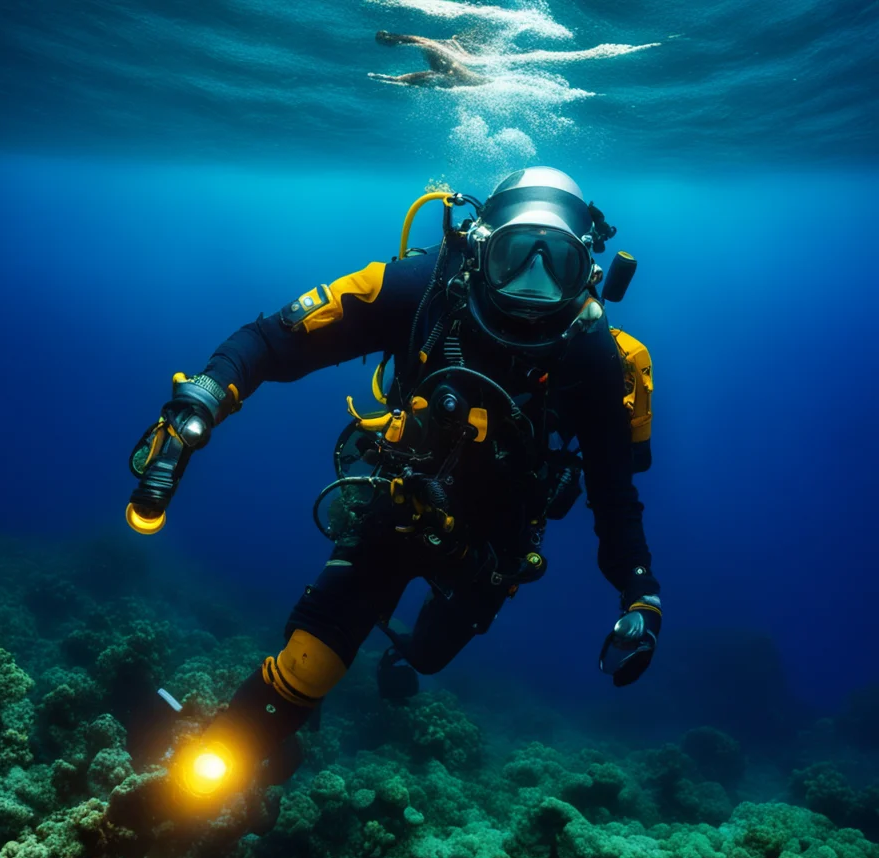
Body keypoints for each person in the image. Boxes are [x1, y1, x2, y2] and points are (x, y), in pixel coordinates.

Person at [125, 167, 661, 810]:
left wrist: (639, 592)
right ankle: (234, 758)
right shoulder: (422, 286)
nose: (532, 283)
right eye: (516, 255)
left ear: (588, 272)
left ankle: (390, 661)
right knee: (309, 662)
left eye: (557, 264)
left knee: (427, 655)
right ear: (479, 248)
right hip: (400, 505)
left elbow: (614, 492)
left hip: (493, 547)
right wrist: (204, 399)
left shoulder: (600, 357)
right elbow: (272, 340)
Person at [368, 29, 490, 88]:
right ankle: (393, 39)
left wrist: (401, 79)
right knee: (429, 51)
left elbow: (430, 75)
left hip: (459, 75)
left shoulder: (469, 80)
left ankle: (393, 39)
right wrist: (400, 79)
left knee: (431, 53)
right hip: (458, 75)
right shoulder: (472, 80)